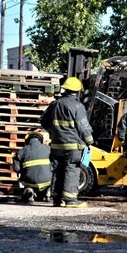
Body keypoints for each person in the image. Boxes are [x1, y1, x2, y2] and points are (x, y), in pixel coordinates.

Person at [40, 77, 93, 208]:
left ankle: (57, 199)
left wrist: (53, 132)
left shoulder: (55, 104)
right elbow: (83, 126)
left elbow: (43, 121)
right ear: (77, 91)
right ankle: (70, 200)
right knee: (71, 169)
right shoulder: (77, 106)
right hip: (73, 145)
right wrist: (89, 141)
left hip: (57, 144)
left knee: (57, 170)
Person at [13, 131, 52, 204]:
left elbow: (16, 168)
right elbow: (55, 165)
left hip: (29, 181)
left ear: (27, 140)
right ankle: (48, 193)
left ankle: (29, 190)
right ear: (40, 139)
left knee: (26, 184)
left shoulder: (22, 151)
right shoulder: (49, 149)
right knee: (51, 179)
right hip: (47, 181)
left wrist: (22, 172)